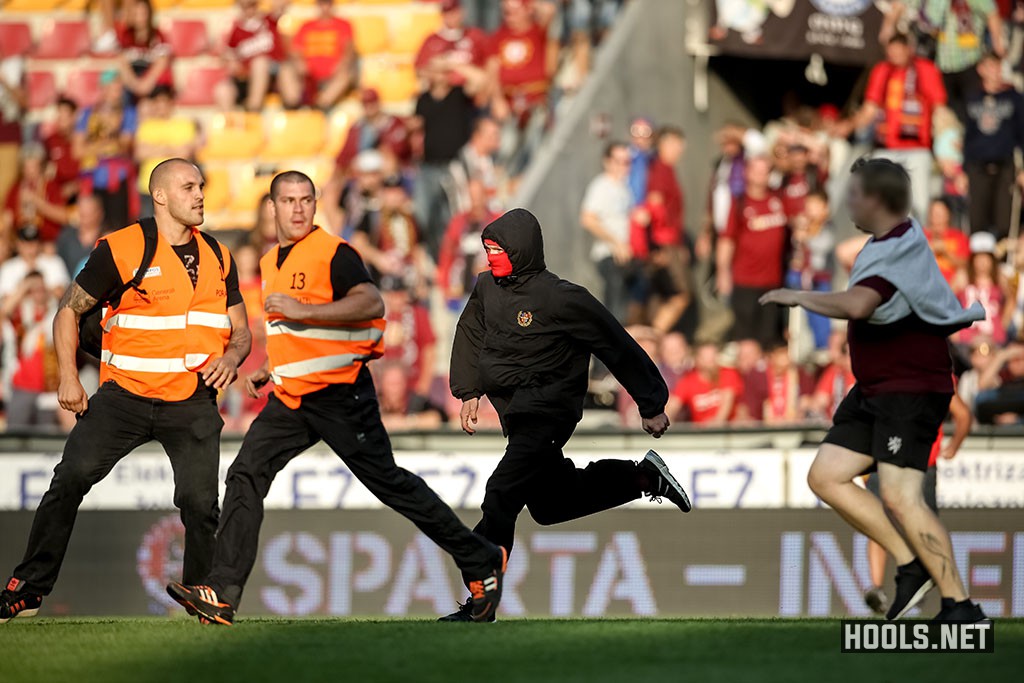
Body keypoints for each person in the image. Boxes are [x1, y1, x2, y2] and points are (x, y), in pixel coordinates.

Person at [166, 171, 507, 626]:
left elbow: (371, 303)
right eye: (287, 200)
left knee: (391, 485)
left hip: (341, 395)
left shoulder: (334, 254)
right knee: (246, 472)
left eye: (305, 199)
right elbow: (291, 331)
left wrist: (304, 310)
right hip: (291, 396)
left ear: (315, 203)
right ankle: (222, 593)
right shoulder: (270, 263)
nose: (297, 209)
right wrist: (272, 367)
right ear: (272, 208)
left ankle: (481, 557)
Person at [0, 158, 251, 623]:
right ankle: (27, 589)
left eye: (201, 186)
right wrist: (69, 378)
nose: (200, 194)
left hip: (192, 399)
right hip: (123, 399)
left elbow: (240, 331)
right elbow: (67, 312)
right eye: (189, 186)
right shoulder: (123, 247)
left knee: (200, 505)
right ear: (160, 196)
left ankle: (202, 598)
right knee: (69, 479)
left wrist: (233, 358)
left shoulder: (219, 254)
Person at [760, 157, 987, 622]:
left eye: (854, 192)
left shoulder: (897, 248)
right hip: (877, 387)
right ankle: (909, 564)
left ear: (877, 199)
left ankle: (960, 607)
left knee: (903, 496)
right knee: (826, 476)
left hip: (907, 388)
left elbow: (859, 304)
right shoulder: (888, 242)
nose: (848, 200)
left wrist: (799, 297)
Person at [442, 208, 690, 622]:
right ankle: (644, 477)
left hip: (549, 412)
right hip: (515, 415)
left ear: (520, 250)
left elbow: (615, 343)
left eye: (498, 249)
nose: (491, 257)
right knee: (550, 504)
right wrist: (469, 392)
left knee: (501, 493)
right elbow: (470, 331)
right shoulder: (487, 287)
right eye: (487, 249)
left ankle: (481, 599)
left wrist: (651, 403)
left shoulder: (562, 297)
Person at [862, 390, 972, 615]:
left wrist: (954, 446)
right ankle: (942, 594)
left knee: (907, 526)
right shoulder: (919, 369)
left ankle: (939, 592)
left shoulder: (928, 371)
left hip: (906, 461)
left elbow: (962, 415)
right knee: (889, 523)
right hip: (905, 460)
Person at [843, 34, 947, 221]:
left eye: (899, 52)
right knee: (879, 200)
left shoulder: (926, 69)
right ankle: (884, 243)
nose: (896, 56)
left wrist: (946, 147)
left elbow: (939, 108)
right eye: (892, 53)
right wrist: (848, 126)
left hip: (917, 149)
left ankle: (918, 243)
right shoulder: (882, 70)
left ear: (909, 49)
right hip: (886, 148)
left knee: (920, 203)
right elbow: (870, 108)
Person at [716, 155, 789, 347]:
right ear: (747, 172)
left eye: (765, 171)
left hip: (773, 283)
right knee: (745, 340)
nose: (760, 175)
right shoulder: (739, 203)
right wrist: (723, 272)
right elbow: (726, 239)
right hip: (745, 282)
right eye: (756, 170)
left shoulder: (779, 199)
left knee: (768, 340)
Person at [963, 51, 1024, 238]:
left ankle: (1003, 262)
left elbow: (1022, 133)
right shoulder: (972, 97)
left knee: (1005, 221)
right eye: (990, 67)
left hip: (1005, 166)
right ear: (981, 70)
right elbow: (967, 137)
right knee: (978, 222)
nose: (995, 72)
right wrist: (963, 170)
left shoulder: (1013, 97)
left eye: (998, 67)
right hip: (977, 167)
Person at [580, 141, 633, 322]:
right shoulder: (602, 186)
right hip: (608, 254)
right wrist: (616, 243)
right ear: (607, 162)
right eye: (618, 161)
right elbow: (588, 219)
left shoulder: (625, 188)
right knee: (614, 309)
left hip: (626, 255)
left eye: (627, 161)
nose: (623, 166)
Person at [929, 0, 1006, 119]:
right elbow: (931, 24)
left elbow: (992, 14)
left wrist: (997, 44)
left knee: (972, 109)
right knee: (951, 110)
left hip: (970, 61)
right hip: (945, 64)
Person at [134, 85, 199, 217]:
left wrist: (154, 147)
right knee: (149, 231)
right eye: (156, 102)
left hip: (177, 187)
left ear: (170, 102)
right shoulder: (146, 126)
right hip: (148, 186)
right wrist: (171, 148)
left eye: (162, 101)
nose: (159, 106)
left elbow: (185, 153)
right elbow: (140, 153)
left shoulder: (184, 124)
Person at [218, 0, 292, 112]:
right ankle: (230, 125)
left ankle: (253, 108)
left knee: (260, 62)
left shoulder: (269, 20)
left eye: (252, 5)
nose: (249, 9)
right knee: (222, 90)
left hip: (273, 75)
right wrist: (231, 63)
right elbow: (228, 57)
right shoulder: (236, 30)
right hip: (247, 76)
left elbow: (283, 4)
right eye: (244, 6)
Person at [284, 0, 355, 109]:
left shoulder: (343, 25)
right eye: (321, 3)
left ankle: (320, 104)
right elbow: (295, 50)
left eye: (327, 3)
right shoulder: (306, 26)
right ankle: (293, 104)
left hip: (332, 77)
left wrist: (342, 63)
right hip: (308, 78)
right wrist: (300, 62)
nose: (324, 7)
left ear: (332, 5)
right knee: (286, 70)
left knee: (345, 74)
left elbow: (349, 48)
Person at [415, 0, 489, 89]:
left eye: (454, 12)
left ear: (461, 12)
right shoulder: (432, 40)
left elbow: (486, 71)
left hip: (468, 91)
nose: (450, 17)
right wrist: (439, 76)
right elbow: (419, 70)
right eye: (447, 13)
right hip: (442, 90)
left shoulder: (475, 36)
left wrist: (450, 65)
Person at [2, 143, 68, 244]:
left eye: (34, 167)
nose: (30, 172)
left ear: (41, 167)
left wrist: (37, 202)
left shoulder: (51, 186)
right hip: (21, 243)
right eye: (27, 168)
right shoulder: (16, 188)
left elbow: (63, 217)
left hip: (47, 242)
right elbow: (7, 217)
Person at [664, 341, 742, 425]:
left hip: (727, 430)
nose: (711, 361)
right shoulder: (688, 381)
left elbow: (727, 401)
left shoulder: (728, 374)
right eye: (707, 358)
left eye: (713, 356)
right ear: (698, 359)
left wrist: (717, 422)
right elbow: (673, 405)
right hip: (702, 432)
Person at [117, 0, 173, 102]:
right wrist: (135, 85)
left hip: (152, 84)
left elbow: (161, 63)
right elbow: (122, 63)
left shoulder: (158, 36)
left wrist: (145, 85)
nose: (140, 18)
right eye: (136, 14)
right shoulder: (125, 36)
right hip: (131, 84)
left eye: (143, 13)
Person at [0, 225, 70, 303]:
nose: (30, 247)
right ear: (18, 244)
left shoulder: (53, 262)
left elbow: (61, 294)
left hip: (50, 313)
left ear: (39, 244)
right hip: (19, 314)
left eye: (33, 243)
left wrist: (36, 287)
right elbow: (5, 301)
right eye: (26, 243)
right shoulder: (8, 267)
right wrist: (28, 284)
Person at [55, 195, 105, 278]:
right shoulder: (66, 236)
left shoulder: (107, 237)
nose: (84, 217)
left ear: (100, 213)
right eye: (82, 213)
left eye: (89, 213)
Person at [923, 197, 970, 284]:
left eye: (939, 213)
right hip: (926, 282)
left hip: (951, 284)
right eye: (933, 213)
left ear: (948, 215)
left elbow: (965, 264)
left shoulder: (958, 237)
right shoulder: (921, 235)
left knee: (962, 275)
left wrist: (946, 253)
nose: (935, 217)